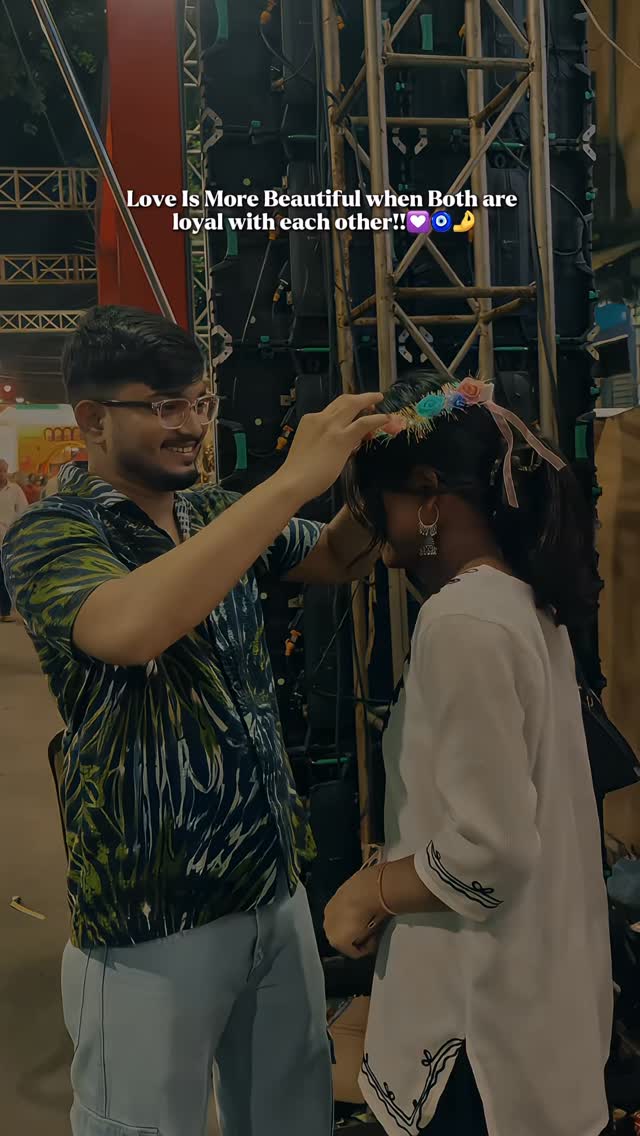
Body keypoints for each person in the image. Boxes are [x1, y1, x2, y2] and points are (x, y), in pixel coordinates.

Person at [1, 305, 390, 1136]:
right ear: (93, 420)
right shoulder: (51, 533)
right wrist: (290, 479)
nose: (191, 426)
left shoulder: (213, 512)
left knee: (291, 1115)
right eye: (164, 406)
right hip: (150, 912)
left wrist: (378, 484)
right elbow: (128, 628)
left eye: (199, 402)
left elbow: (333, 556)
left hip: (270, 886)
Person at [324, 373, 613, 1136]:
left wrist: (369, 892)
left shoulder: (461, 622)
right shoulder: (524, 605)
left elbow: (490, 850)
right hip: (535, 1012)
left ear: (428, 498)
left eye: (380, 505)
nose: (376, 536)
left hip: (477, 1039)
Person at [0, 458, 28, 621]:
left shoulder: (15, 490)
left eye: (3, 471)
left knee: (6, 573)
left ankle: (5, 610)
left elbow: (23, 511)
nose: (1, 474)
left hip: (9, 537)